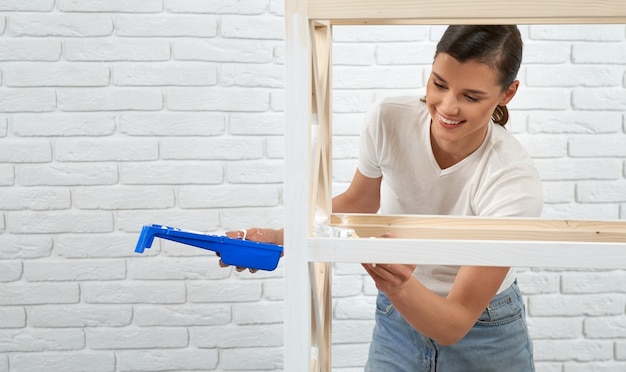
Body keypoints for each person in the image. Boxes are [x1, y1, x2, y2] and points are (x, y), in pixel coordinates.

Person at [223, 25, 543, 372]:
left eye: (471, 96)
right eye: (439, 84)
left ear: (507, 94)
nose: (447, 107)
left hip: (484, 331)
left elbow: (455, 322)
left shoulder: (512, 178)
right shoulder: (389, 118)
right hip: (398, 318)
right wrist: (282, 240)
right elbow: (360, 202)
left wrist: (397, 282)